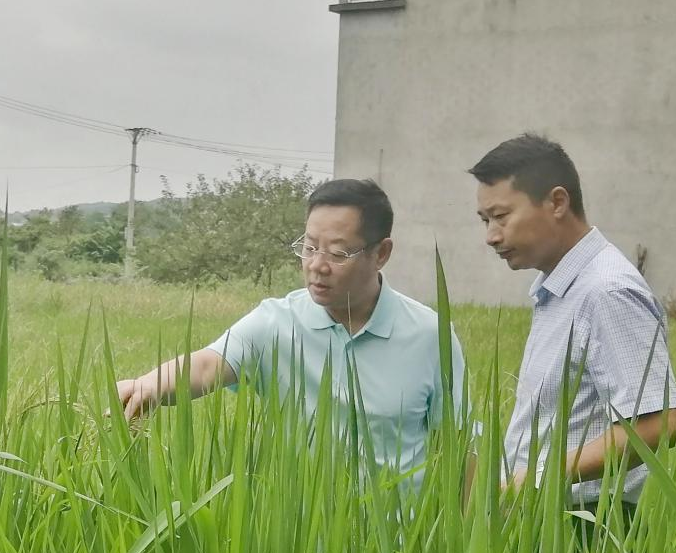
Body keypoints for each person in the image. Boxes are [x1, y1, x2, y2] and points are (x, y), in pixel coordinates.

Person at [115, 178, 466, 485]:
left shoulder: (430, 336)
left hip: (401, 548)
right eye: (310, 247)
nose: (317, 265)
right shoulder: (276, 323)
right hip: (298, 549)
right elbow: (209, 363)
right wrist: (150, 384)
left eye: (338, 253)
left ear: (381, 253)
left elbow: (460, 445)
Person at [469, 134, 676, 519]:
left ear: (557, 202)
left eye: (501, 217)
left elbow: (659, 422)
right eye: (485, 221)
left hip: (589, 528)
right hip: (547, 519)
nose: (491, 236)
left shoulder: (605, 290)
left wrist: (535, 479)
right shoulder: (563, 288)